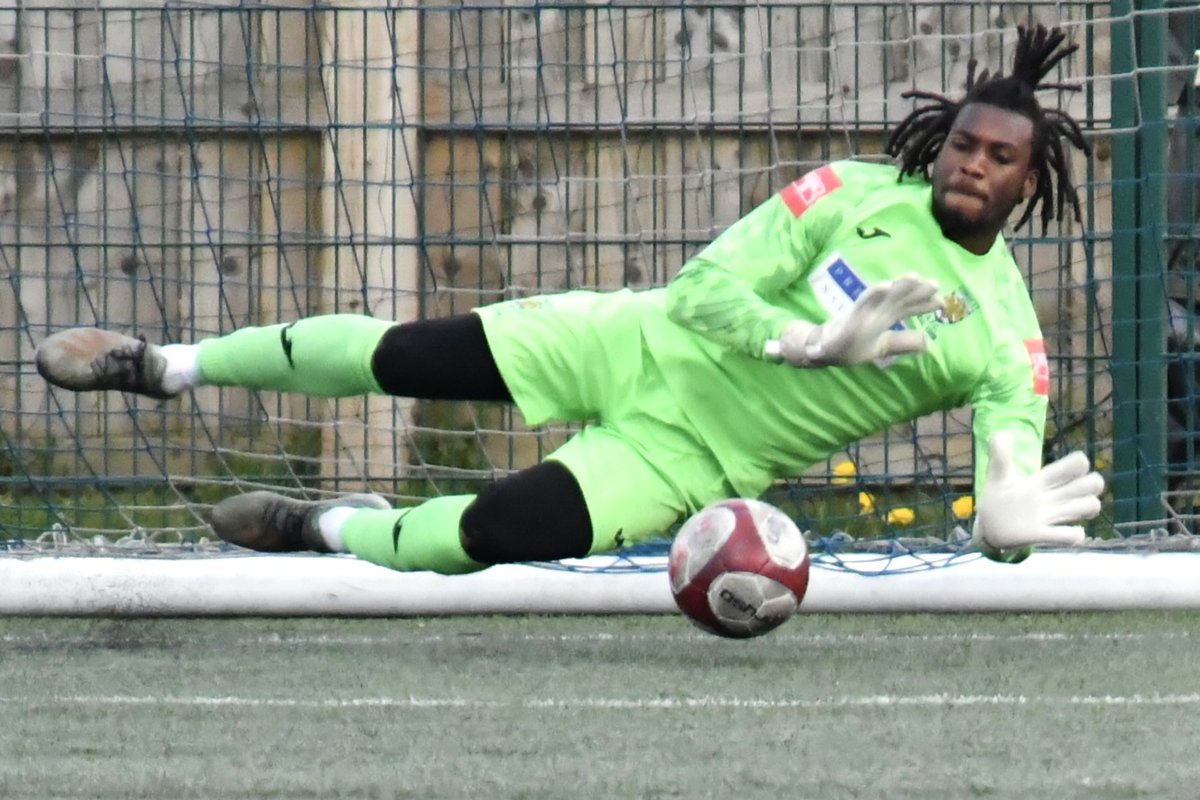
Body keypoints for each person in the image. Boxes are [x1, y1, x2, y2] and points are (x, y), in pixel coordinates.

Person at [35, 24, 1104, 572]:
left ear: (1030, 177)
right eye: (962, 140)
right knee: (405, 355)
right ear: (940, 140)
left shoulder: (1008, 338)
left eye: (999, 156)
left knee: (495, 532)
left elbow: (1006, 487)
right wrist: (800, 340)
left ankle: (332, 527)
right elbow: (701, 290)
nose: (972, 162)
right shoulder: (852, 192)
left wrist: (1002, 532)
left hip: (694, 460)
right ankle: (168, 363)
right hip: (629, 342)